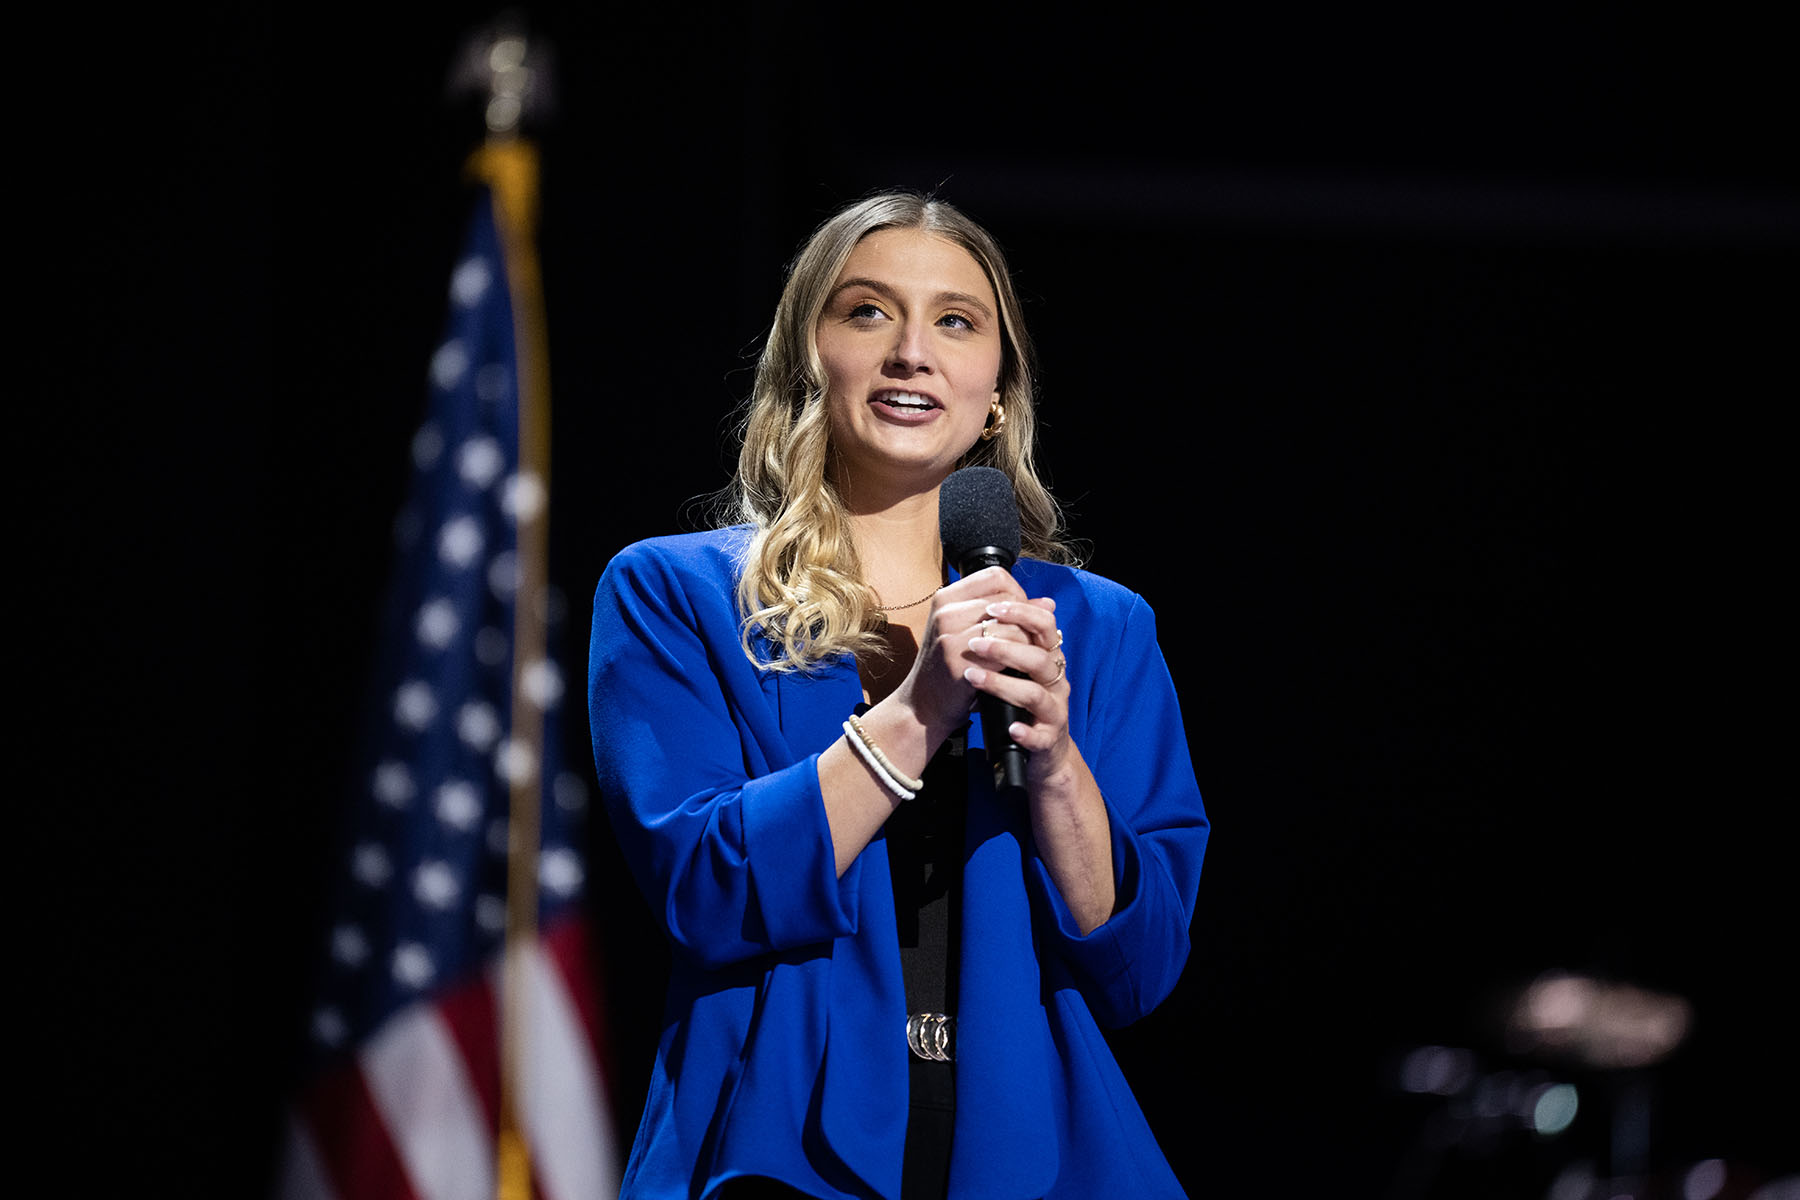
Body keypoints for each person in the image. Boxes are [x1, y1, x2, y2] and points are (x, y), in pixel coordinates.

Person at [587, 191, 1208, 1199]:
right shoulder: (677, 594)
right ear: (807, 359)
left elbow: (1139, 965)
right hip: (773, 1149)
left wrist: (1053, 762)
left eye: (956, 321)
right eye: (868, 312)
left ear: (997, 388)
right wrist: (921, 711)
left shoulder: (1098, 628)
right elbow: (705, 889)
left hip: (1043, 1156)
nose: (912, 352)